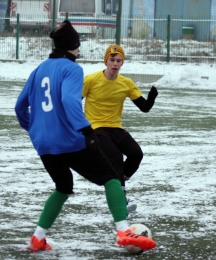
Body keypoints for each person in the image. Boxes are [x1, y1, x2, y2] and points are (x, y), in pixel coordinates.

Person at [14, 20, 156, 253]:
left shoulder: (38, 69)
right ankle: (123, 231)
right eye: (78, 45)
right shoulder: (72, 68)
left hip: (43, 143)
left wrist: (35, 129)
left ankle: (37, 239)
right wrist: (86, 130)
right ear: (74, 45)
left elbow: (20, 108)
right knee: (111, 177)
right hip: (68, 139)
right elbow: (70, 101)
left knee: (63, 186)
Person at [82, 44, 158, 210]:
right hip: (95, 128)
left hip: (115, 127)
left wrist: (151, 98)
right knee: (116, 156)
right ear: (106, 61)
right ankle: (121, 201)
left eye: (119, 60)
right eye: (112, 59)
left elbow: (144, 108)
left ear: (122, 63)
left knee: (136, 154)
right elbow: (73, 101)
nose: (115, 63)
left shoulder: (126, 83)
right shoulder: (90, 80)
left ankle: (114, 182)